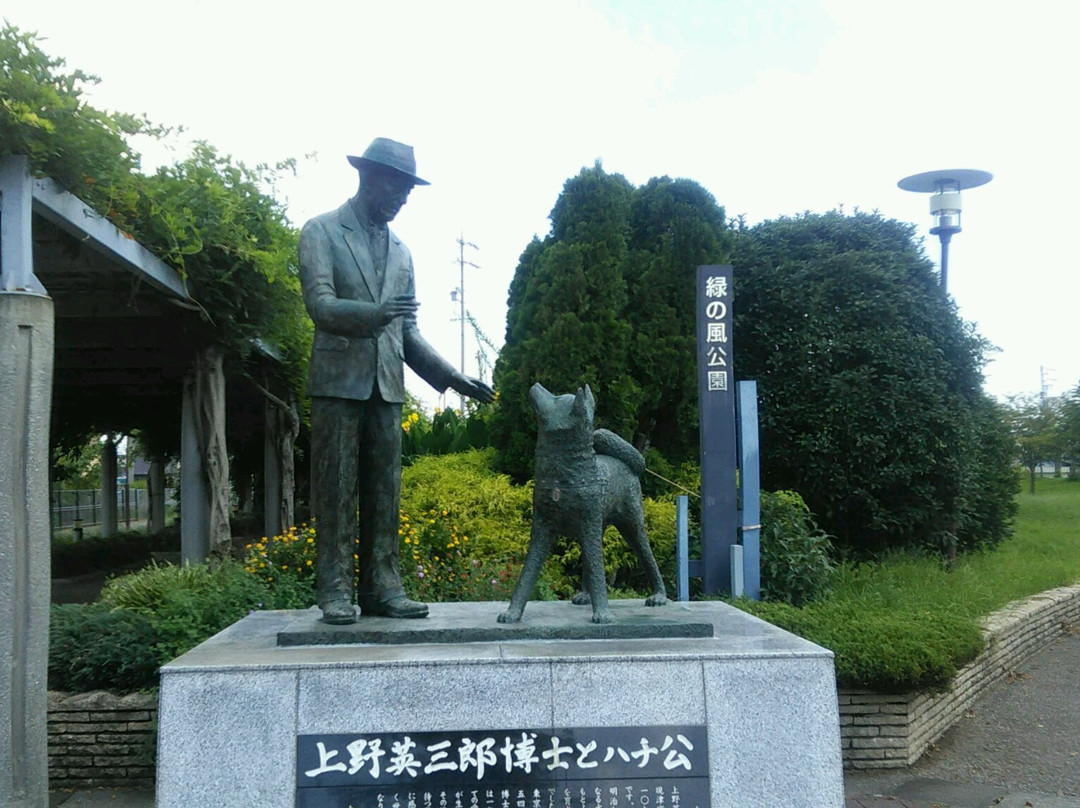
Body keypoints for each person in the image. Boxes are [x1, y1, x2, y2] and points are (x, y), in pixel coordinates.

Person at [298, 137, 494, 623]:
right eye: (398, 189)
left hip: (386, 389)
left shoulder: (403, 254)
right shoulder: (321, 231)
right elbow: (320, 306)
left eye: (408, 192)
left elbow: (407, 332)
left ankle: (383, 586)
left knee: (385, 494)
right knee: (337, 490)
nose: (403, 200)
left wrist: (452, 377)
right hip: (338, 384)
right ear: (369, 177)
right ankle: (335, 589)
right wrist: (375, 313)